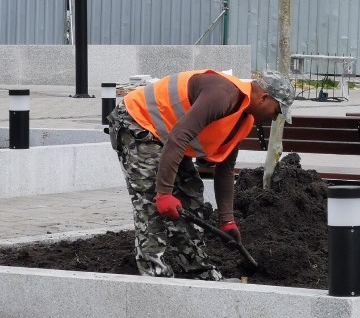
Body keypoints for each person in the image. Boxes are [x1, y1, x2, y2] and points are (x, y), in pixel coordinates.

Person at [106, 69, 295, 280]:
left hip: (166, 135)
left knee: (191, 195)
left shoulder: (243, 118)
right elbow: (179, 136)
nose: (275, 117)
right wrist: (164, 192)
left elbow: (225, 169)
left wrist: (227, 221)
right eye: (277, 110)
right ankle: (154, 276)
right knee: (151, 201)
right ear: (264, 98)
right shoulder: (224, 95)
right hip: (136, 120)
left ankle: (198, 271)